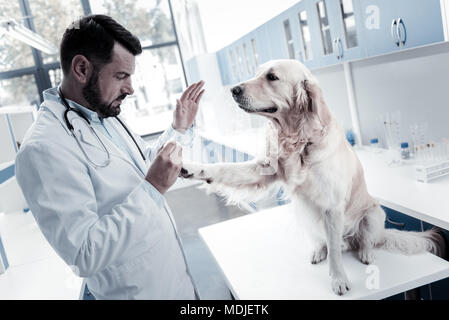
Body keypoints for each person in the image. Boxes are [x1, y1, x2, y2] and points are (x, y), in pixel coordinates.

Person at [15, 15, 205, 300]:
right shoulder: (43, 147)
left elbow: (145, 169)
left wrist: (178, 130)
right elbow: (84, 253)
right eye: (121, 76)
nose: (130, 88)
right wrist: (153, 188)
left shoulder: (106, 115)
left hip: (176, 281)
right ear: (82, 68)